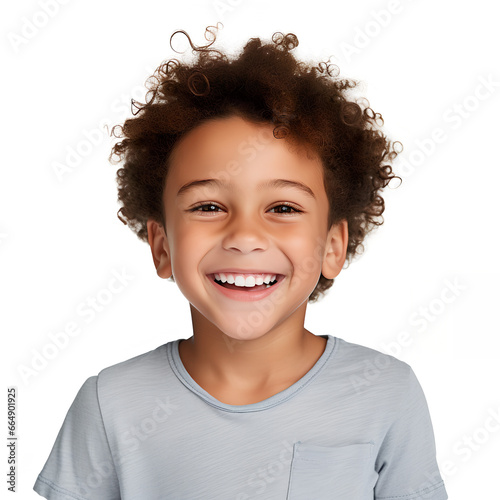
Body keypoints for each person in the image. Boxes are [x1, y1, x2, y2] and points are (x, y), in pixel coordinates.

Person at [34, 24, 448, 499]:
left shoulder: (386, 393)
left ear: (333, 246)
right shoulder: (110, 403)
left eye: (284, 208)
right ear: (162, 246)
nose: (245, 236)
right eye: (208, 206)